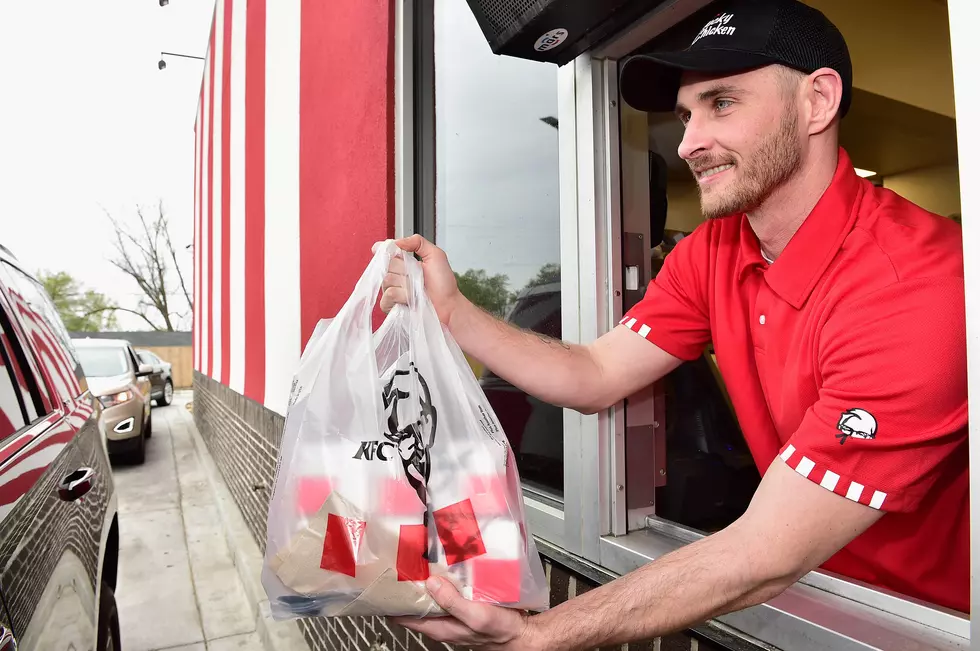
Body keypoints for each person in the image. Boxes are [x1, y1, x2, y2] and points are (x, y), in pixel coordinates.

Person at [378, 0, 969, 648]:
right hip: (805, 598)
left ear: (817, 102)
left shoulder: (918, 283)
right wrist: (454, 312)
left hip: (923, 624)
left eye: (721, 103)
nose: (686, 142)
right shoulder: (712, 251)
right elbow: (597, 371)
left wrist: (539, 635)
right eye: (686, 114)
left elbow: (764, 549)